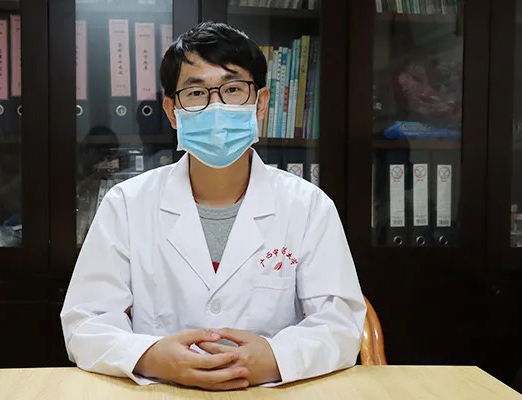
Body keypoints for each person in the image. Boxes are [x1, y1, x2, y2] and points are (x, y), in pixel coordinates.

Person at [60, 21, 366, 391]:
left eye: (233, 89)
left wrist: (275, 358)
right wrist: (152, 356)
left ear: (261, 104)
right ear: (172, 112)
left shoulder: (308, 207)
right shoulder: (126, 205)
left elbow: (340, 323)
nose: (216, 107)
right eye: (195, 93)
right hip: (164, 392)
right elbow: (85, 320)